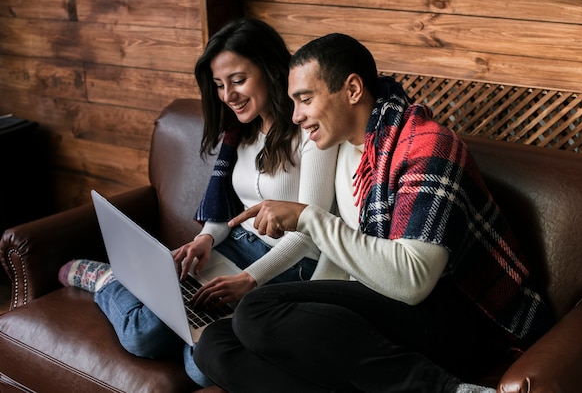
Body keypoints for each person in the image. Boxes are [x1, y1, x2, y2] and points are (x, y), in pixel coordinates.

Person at [192, 33, 553, 393]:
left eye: (305, 99)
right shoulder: (343, 147)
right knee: (214, 343)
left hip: (447, 319)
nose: (297, 115)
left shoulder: (428, 147)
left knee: (256, 311)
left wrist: (310, 219)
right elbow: (343, 257)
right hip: (377, 303)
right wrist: (305, 318)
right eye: (293, 102)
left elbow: (412, 282)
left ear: (352, 90)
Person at [56, 18, 337, 388]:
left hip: (287, 267)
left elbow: (310, 232)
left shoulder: (310, 130)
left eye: (238, 80)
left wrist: (248, 280)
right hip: (233, 248)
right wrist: (206, 238)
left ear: (271, 69)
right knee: (144, 333)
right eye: (220, 85)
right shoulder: (240, 132)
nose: (228, 95)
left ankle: (130, 292)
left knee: (200, 369)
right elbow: (227, 213)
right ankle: (107, 279)